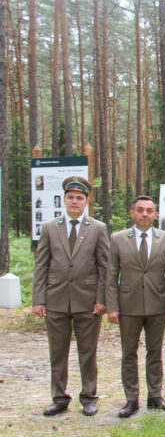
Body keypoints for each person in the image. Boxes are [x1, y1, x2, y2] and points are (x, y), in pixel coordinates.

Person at [33, 177, 109, 417]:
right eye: (71, 197)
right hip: (56, 300)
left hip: (87, 301)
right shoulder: (49, 227)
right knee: (57, 351)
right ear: (64, 200)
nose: (75, 202)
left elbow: (104, 267)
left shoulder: (97, 228)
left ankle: (89, 397)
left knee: (88, 351)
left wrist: (101, 299)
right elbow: (41, 265)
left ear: (87, 201)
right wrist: (38, 299)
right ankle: (59, 397)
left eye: (79, 198)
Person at [107, 195, 165, 418]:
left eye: (149, 210)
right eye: (140, 210)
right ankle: (131, 399)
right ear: (133, 214)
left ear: (155, 215)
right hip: (128, 306)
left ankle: (155, 396)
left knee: (155, 353)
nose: (145, 214)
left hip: (157, 305)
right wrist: (112, 306)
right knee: (129, 353)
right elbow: (111, 275)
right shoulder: (118, 239)